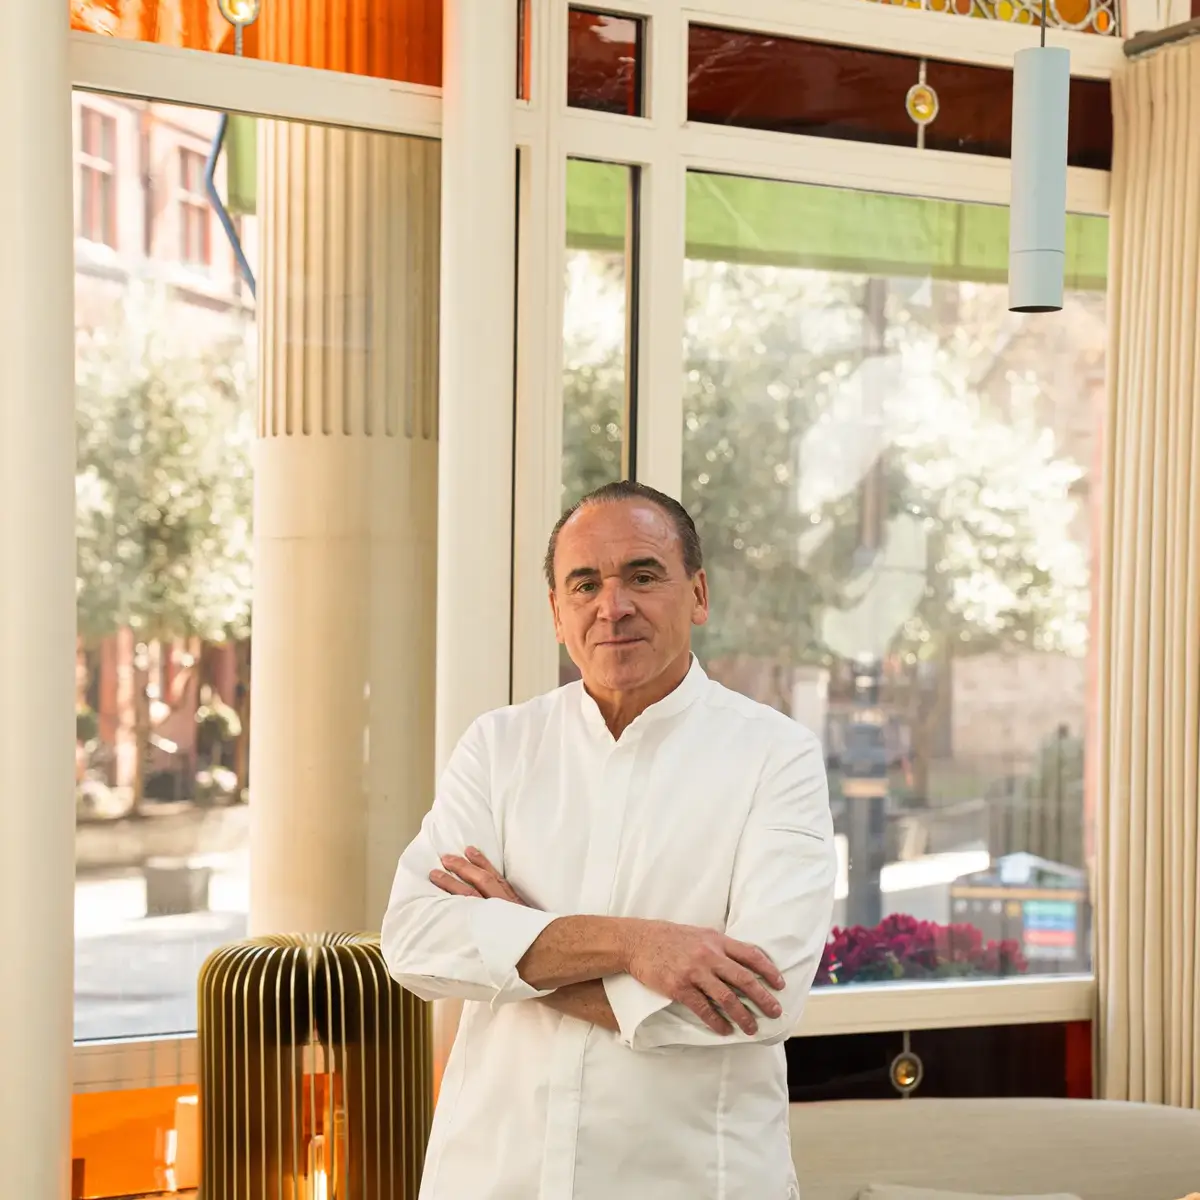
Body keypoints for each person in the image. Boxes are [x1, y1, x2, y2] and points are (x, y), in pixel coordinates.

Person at [382, 480, 836, 1200]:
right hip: (495, 1178)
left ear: (698, 594)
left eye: (642, 576)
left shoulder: (776, 758)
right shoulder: (498, 746)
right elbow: (414, 939)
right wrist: (635, 946)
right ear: (557, 614)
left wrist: (513, 942)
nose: (612, 605)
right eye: (585, 584)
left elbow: (756, 1000)